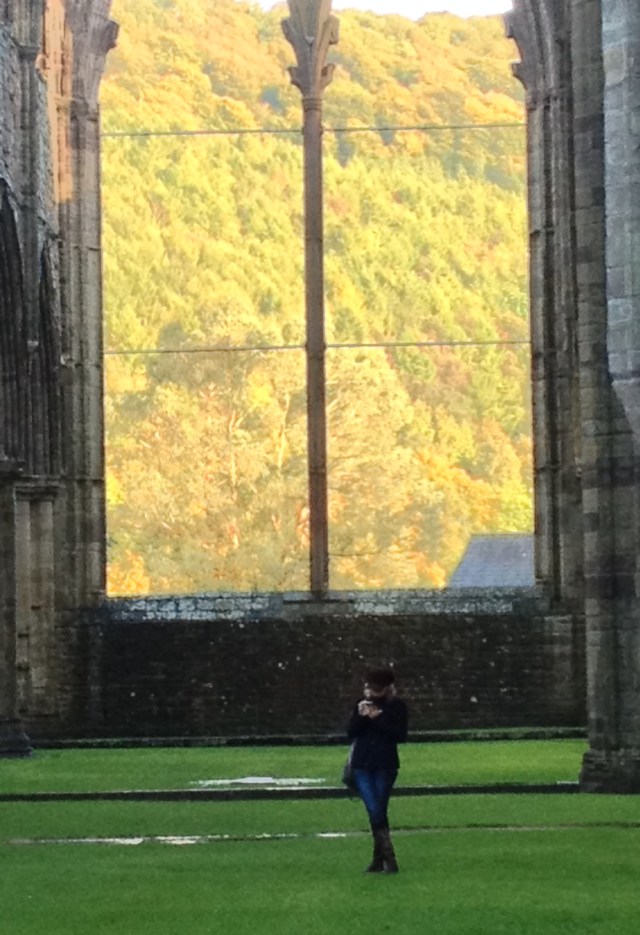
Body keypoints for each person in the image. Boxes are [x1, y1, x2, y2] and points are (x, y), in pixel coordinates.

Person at [346, 667, 408, 873]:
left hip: (385, 764)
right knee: (374, 809)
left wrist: (378, 718)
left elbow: (399, 735)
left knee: (378, 809)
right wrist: (362, 716)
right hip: (362, 764)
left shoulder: (397, 707)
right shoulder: (361, 705)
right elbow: (351, 732)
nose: (372, 692)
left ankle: (381, 859)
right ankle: (387, 858)